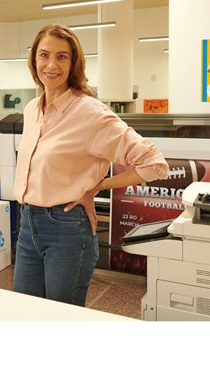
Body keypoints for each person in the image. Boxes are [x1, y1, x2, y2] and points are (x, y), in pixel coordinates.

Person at [12, 23, 170, 307]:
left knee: (62, 318)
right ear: (34, 59)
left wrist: (97, 187)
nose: (51, 64)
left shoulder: (90, 112)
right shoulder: (32, 109)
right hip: (27, 224)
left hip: (66, 228)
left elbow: (154, 163)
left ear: (73, 63)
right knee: (26, 313)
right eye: (44, 55)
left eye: (62, 57)